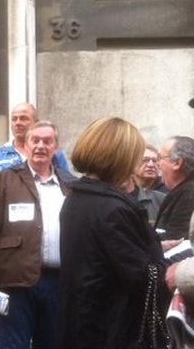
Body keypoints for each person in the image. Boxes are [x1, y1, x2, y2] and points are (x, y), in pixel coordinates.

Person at [59, 117, 168, 349]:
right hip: (112, 330)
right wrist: (168, 268)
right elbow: (143, 278)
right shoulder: (112, 207)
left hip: (85, 324)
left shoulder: (78, 198)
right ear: (121, 158)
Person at [0, 121, 74, 349]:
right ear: (25, 146)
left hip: (58, 282)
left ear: (55, 147)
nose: (40, 146)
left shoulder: (69, 184)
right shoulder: (5, 180)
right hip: (14, 280)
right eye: (34, 140)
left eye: (47, 141)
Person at [0, 103, 70, 206]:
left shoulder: (53, 154)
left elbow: (68, 187)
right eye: (14, 119)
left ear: (36, 122)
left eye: (23, 118)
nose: (17, 123)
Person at [154, 136, 194, 240]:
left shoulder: (190, 194)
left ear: (177, 163)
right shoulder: (183, 191)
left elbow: (178, 239)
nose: (157, 164)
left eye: (160, 158)